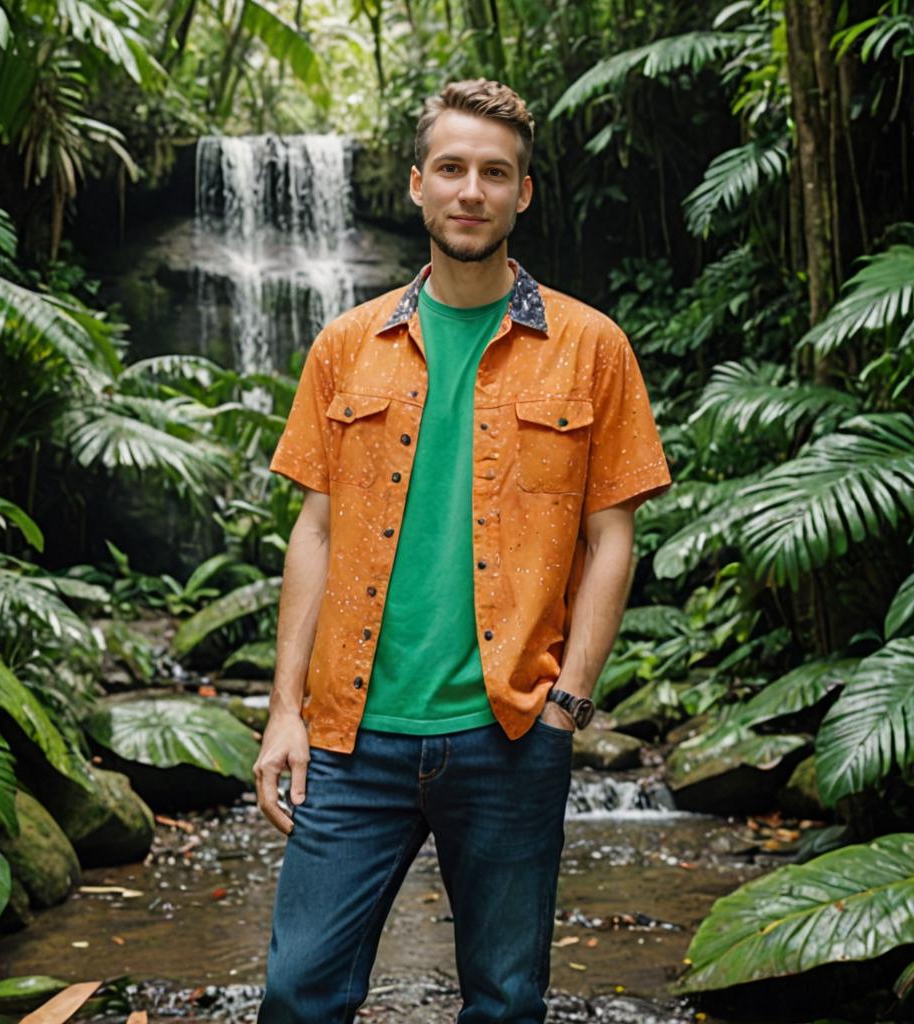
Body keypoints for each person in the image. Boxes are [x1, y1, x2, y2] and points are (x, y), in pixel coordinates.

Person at [252, 78, 672, 1023]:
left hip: (512, 731)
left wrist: (569, 702)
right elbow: (313, 531)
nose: (470, 190)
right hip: (353, 736)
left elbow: (613, 539)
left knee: (506, 999)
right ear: (417, 184)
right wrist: (286, 711)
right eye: (452, 169)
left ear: (523, 194)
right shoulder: (346, 345)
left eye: (494, 172)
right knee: (298, 991)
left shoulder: (591, 347)